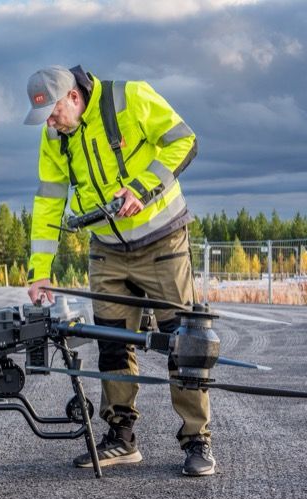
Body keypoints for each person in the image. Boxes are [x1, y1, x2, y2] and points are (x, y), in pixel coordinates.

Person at [23, 65, 215, 476]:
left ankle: (197, 440)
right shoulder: (55, 136)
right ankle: (121, 438)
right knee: (112, 343)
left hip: (163, 241)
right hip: (108, 251)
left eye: (53, 113)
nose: (50, 123)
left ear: (73, 97)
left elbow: (184, 140)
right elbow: (48, 202)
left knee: (185, 344)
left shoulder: (130, 98)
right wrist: (39, 271)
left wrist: (144, 187)